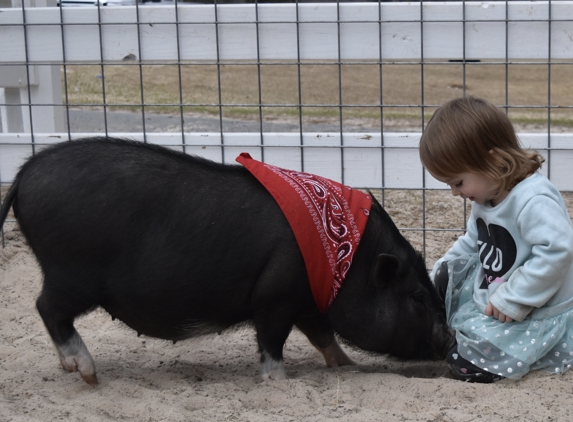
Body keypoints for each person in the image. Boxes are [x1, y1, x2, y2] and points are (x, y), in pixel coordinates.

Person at [419, 96, 573, 383]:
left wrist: (515, 299)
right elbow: (472, 242)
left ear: (492, 160)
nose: (454, 192)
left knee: (467, 363)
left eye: (458, 182)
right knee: (443, 274)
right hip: (495, 290)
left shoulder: (533, 199)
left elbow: (558, 251)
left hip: (534, 308)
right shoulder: (486, 196)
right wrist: (441, 270)